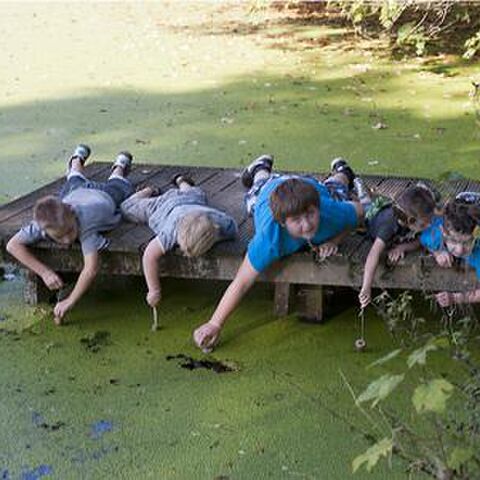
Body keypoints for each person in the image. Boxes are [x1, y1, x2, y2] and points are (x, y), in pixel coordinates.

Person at [193, 154, 364, 351]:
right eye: (297, 220)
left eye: (310, 215)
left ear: (317, 209)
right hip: (268, 194)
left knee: (337, 190)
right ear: (283, 223)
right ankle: (260, 169)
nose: (307, 224)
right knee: (254, 195)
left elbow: (360, 212)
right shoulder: (268, 239)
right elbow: (242, 282)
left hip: (308, 188)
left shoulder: (327, 211)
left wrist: (334, 240)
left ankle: (343, 172)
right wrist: (215, 323)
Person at [6, 145, 134, 324]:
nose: (68, 240)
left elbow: (91, 269)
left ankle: (120, 165)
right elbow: (12, 245)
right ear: (44, 230)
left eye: (70, 232)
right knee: (73, 179)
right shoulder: (45, 223)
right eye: (59, 237)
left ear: (73, 214)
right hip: (75, 193)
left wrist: (70, 301)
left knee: (119, 184)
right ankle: (77, 158)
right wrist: (44, 273)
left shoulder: (86, 224)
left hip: (105, 197)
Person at [120, 174, 238, 308]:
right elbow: (149, 256)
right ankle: (149, 190)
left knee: (196, 193)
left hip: (192, 201)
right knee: (126, 208)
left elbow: (233, 226)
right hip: (162, 207)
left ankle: (182, 181)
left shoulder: (223, 224)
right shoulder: (171, 231)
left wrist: (216, 237)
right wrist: (154, 290)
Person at [358, 183, 438, 309]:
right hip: (372, 217)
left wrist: (404, 247)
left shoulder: (414, 221)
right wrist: (366, 287)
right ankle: (361, 190)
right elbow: (374, 253)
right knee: (365, 205)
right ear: (411, 221)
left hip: (391, 211)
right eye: (423, 224)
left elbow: (422, 240)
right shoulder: (389, 226)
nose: (428, 226)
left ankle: (372, 195)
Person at [420, 192, 480, 307]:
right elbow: (424, 239)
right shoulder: (436, 233)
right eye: (454, 241)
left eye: (467, 242)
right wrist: (437, 252)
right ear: (443, 231)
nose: (460, 250)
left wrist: (456, 298)